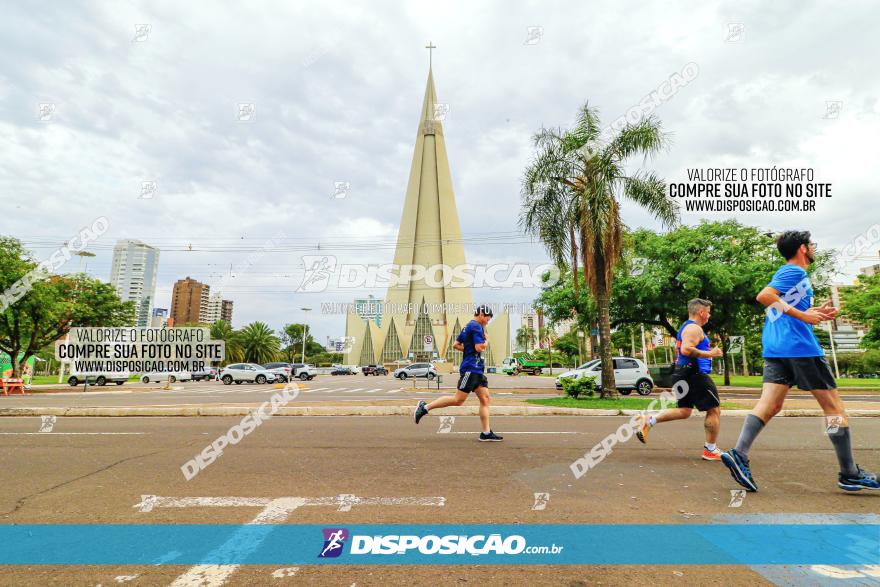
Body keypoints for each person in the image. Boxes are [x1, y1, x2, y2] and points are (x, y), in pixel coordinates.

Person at [721, 230, 878, 492]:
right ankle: (849, 473)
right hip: (800, 349)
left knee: (770, 406)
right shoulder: (794, 271)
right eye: (812, 245)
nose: (814, 248)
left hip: (777, 348)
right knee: (835, 409)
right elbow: (765, 297)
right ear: (803, 249)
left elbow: (783, 308)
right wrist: (804, 317)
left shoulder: (793, 277)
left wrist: (812, 313)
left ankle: (739, 453)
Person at [636, 298, 724, 460]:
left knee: (684, 411)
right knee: (714, 409)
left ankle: (649, 420)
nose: (709, 316)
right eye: (709, 312)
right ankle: (710, 449)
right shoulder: (694, 328)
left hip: (682, 373)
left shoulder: (686, 327)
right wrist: (710, 353)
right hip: (694, 374)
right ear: (702, 312)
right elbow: (686, 349)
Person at [413, 305, 503, 441]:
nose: (487, 322)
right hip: (471, 369)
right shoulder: (476, 326)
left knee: (485, 399)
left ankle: (486, 433)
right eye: (487, 320)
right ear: (481, 315)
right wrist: (486, 341)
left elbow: (456, 344)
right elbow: (479, 347)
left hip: (477, 370)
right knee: (458, 400)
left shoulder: (467, 327)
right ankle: (424, 407)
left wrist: (468, 349)